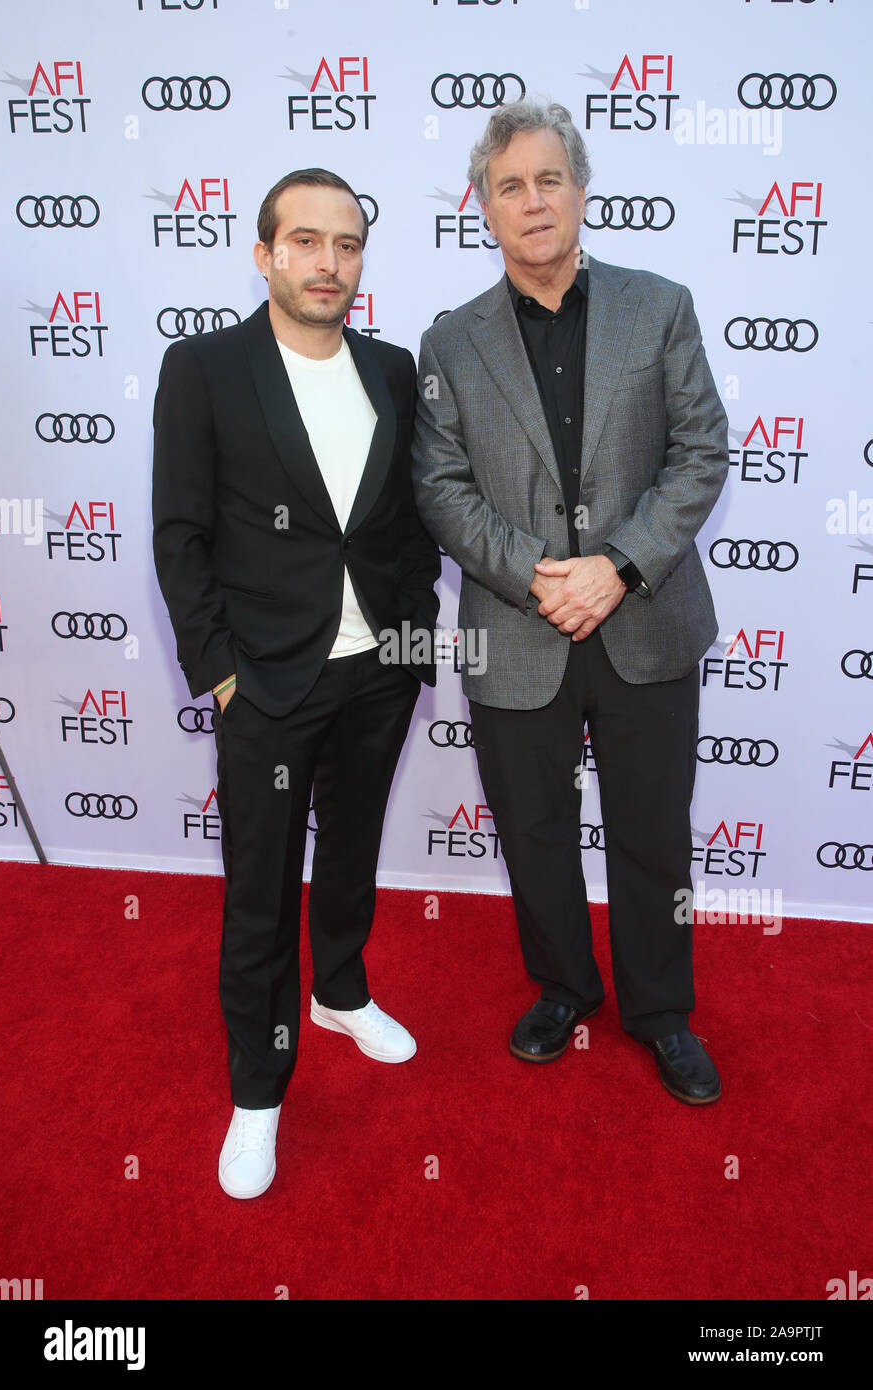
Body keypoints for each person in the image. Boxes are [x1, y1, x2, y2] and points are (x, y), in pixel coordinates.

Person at [411, 102, 728, 1104]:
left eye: (550, 179)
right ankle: (563, 986)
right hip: (518, 624)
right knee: (533, 828)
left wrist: (618, 565)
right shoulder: (450, 341)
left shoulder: (660, 305)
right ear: (484, 208)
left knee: (651, 828)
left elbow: (701, 451)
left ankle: (662, 1012)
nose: (533, 200)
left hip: (645, 614)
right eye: (510, 186)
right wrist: (541, 573)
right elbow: (441, 486)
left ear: (583, 192)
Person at [153, 168, 440, 1197]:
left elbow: (408, 524)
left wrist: (415, 636)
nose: (329, 262)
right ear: (265, 252)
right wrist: (220, 674)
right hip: (267, 681)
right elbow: (179, 536)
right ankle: (259, 1093)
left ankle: (343, 991)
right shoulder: (206, 367)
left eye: (348, 243)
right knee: (260, 893)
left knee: (354, 846)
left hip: (379, 672)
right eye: (307, 241)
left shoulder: (393, 369)